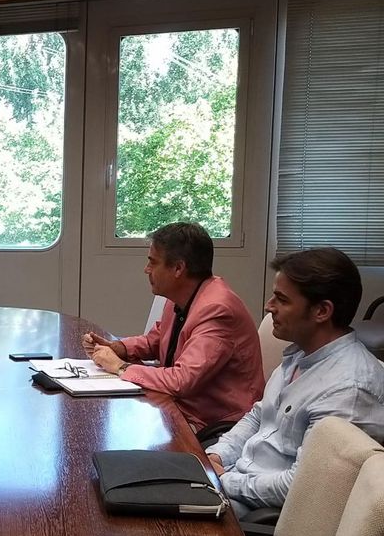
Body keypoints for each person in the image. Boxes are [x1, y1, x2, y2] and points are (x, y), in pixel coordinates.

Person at [205, 248, 384, 518]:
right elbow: (258, 416)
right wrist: (218, 456)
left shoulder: (349, 390)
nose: (268, 306)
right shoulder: (299, 355)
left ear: (322, 311)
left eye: (282, 299)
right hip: (235, 483)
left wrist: (224, 480)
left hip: (260, 514)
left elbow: (301, 487)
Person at [83, 222, 264, 429]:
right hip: (180, 408)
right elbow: (157, 340)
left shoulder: (217, 309)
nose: (146, 269)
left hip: (216, 424)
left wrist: (120, 366)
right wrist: (119, 348)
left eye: (153, 262)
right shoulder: (182, 295)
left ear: (178, 268)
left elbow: (181, 381)